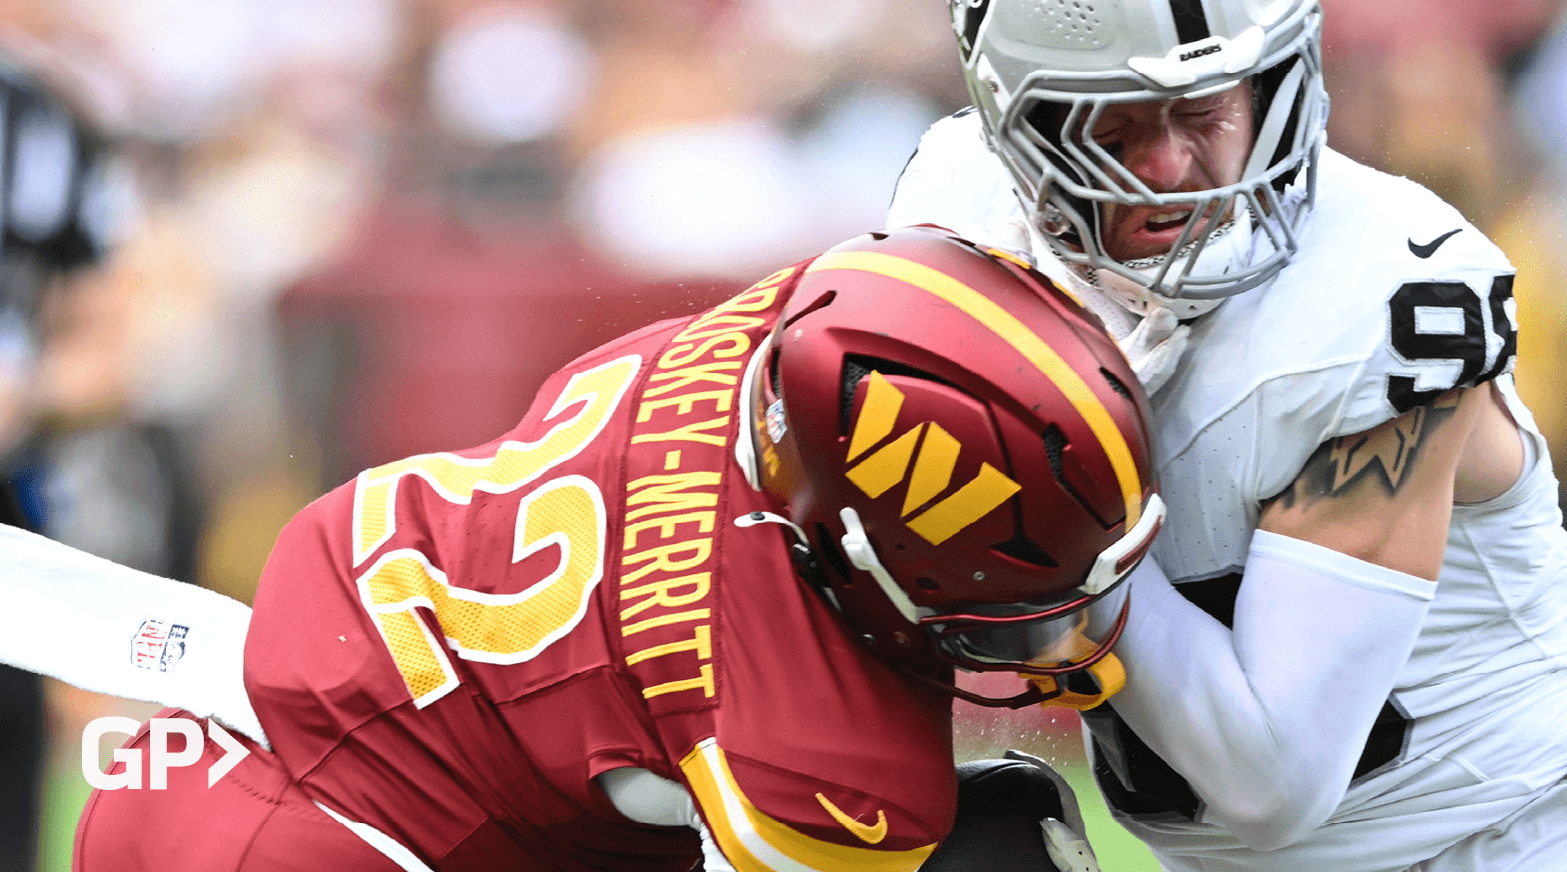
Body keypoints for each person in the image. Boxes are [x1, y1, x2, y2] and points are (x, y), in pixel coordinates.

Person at [890, 0, 1567, 872]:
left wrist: (1065, 535)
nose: (1173, 166)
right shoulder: (961, 223)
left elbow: (1273, 779)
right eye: (1117, 125)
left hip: (1509, 848)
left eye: (1207, 107)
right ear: (1018, 124)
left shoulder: (1378, 298)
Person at [26, 226, 1163, 871]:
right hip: (313, 836)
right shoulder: (820, 754)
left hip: (309, 717)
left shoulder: (766, 340)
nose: (1058, 637)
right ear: (858, 547)